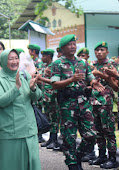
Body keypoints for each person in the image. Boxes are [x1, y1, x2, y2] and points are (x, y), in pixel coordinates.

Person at [50, 34, 105, 170]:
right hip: (67, 105)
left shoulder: (82, 62)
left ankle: (77, 156)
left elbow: (90, 77)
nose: (73, 46)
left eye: (74, 44)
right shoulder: (58, 64)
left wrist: (93, 82)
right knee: (69, 137)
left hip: (84, 103)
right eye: (69, 44)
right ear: (63, 48)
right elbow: (55, 84)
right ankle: (72, 163)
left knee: (91, 135)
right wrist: (71, 80)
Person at [0, 49, 42, 170]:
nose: (14, 61)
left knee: (31, 162)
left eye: (16, 58)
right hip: (8, 133)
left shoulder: (25, 75)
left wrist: (33, 88)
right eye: (10, 59)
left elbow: (36, 97)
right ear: (3, 61)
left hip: (28, 130)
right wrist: (16, 88)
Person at [88, 41, 118, 169]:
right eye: (97, 50)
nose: (99, 52)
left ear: (107, 52)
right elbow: (86, 84)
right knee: (97, 130)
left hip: (106, 103)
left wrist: (103, 76)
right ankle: (101, 156)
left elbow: (116, 87)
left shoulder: (111, 65)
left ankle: (112, 158)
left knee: (109, 130)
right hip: (93, 102)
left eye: (102, 50)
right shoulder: (91, 65)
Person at [38, 49, 60, 149]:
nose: (42, 58)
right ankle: (51, 139)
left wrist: (41, 78)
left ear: (49, 57)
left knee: (54, 118)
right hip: (45, 96)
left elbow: (54, 81)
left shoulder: (54, 66)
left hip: (53, 96)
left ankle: (54, 139)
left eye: (44, 56)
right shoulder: (43, 66)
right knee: (49, 118)